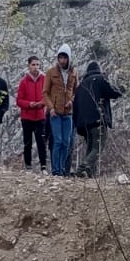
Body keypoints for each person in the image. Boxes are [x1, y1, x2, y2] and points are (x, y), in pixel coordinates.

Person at [73, 61, 123, 178]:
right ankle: (82, 168)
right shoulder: (100, 79)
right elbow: (112, 92)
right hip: (98, 119)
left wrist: (78, 125)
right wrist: (121, 91)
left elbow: (75, 106)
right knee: (99, 146)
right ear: (98, 69)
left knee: (90, 146)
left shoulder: (81, 86)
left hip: (84, 124)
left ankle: (90, 174)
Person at [43, 44, 78, 176]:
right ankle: (56, 170)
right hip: (55, 113)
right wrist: (50, 108)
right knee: (57, 141)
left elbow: (75, 90)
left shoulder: (74, 72)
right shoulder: (51, 72)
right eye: (60, 57)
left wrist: (71, 100)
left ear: (69, 58)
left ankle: (63, 169)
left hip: (68, 113)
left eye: (64, 57)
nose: (62, 60)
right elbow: (45, 93)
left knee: (66, 142)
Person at [16, 56, 47, 172]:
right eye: (33, 65)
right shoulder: (23, 82)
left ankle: (43, 166)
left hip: (40, 116)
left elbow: (47, 96)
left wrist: (42, 103)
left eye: (37, 65)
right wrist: (30, 104)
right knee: (27, 142)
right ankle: (28, 165)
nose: (35, 67)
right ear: (29, 66)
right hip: (27, 116)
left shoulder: (44, 79)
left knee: (41, 142)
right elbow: (19, 100)